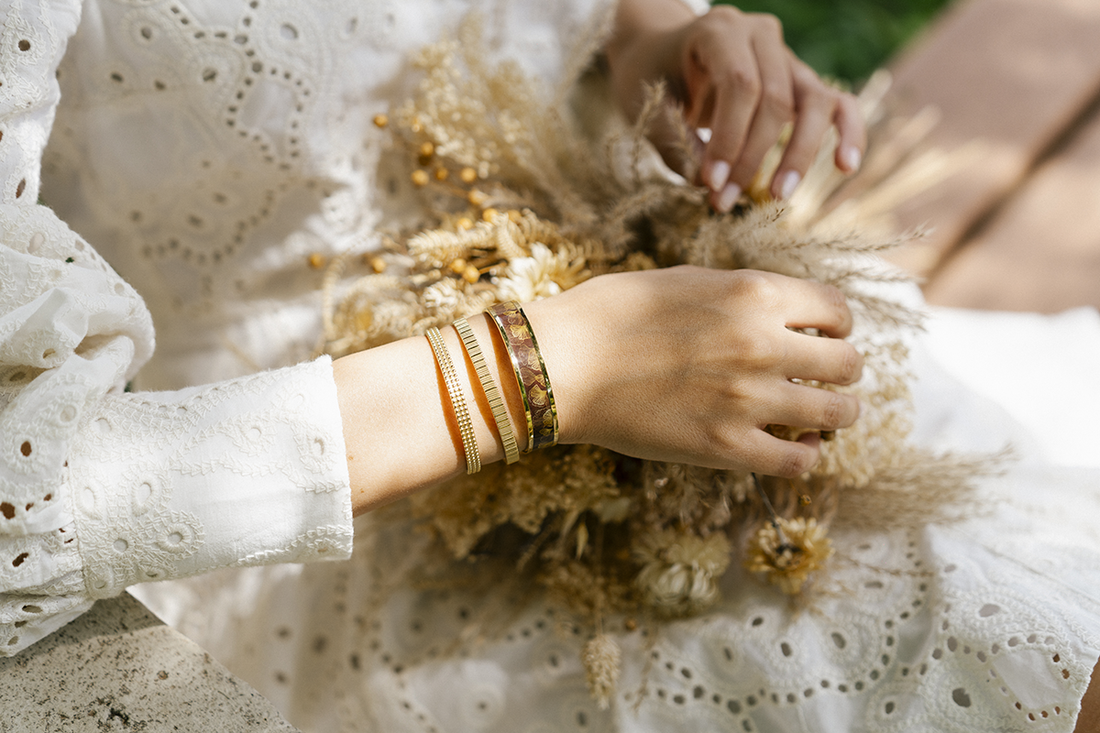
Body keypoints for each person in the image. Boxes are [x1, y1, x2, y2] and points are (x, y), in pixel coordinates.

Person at [1, 1, 1098, 731]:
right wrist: (544, 370)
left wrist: (662, 45)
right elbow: (22, 496)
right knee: (1005, 643)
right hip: (350, 515)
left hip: (670, 317)